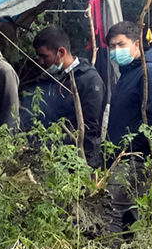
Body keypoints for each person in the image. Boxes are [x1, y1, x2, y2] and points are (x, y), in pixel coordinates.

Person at [103, 21, 152, 238]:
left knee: (110, 211)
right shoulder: (128, 73)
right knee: (127, 215)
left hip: (133, 157)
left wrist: (133, 151)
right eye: (111, 46)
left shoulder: (149, 72)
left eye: (120, 44)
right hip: (119, 157)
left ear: (137, 43)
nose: (115, 51)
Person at [28, 26, 106, 166]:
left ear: (61, 52)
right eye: (39, 56)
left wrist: (85, 166)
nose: (41, 61)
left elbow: (91, 128)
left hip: (76, 160)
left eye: (44, 56)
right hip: (50, 158)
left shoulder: (89, 80)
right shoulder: (48, 78)